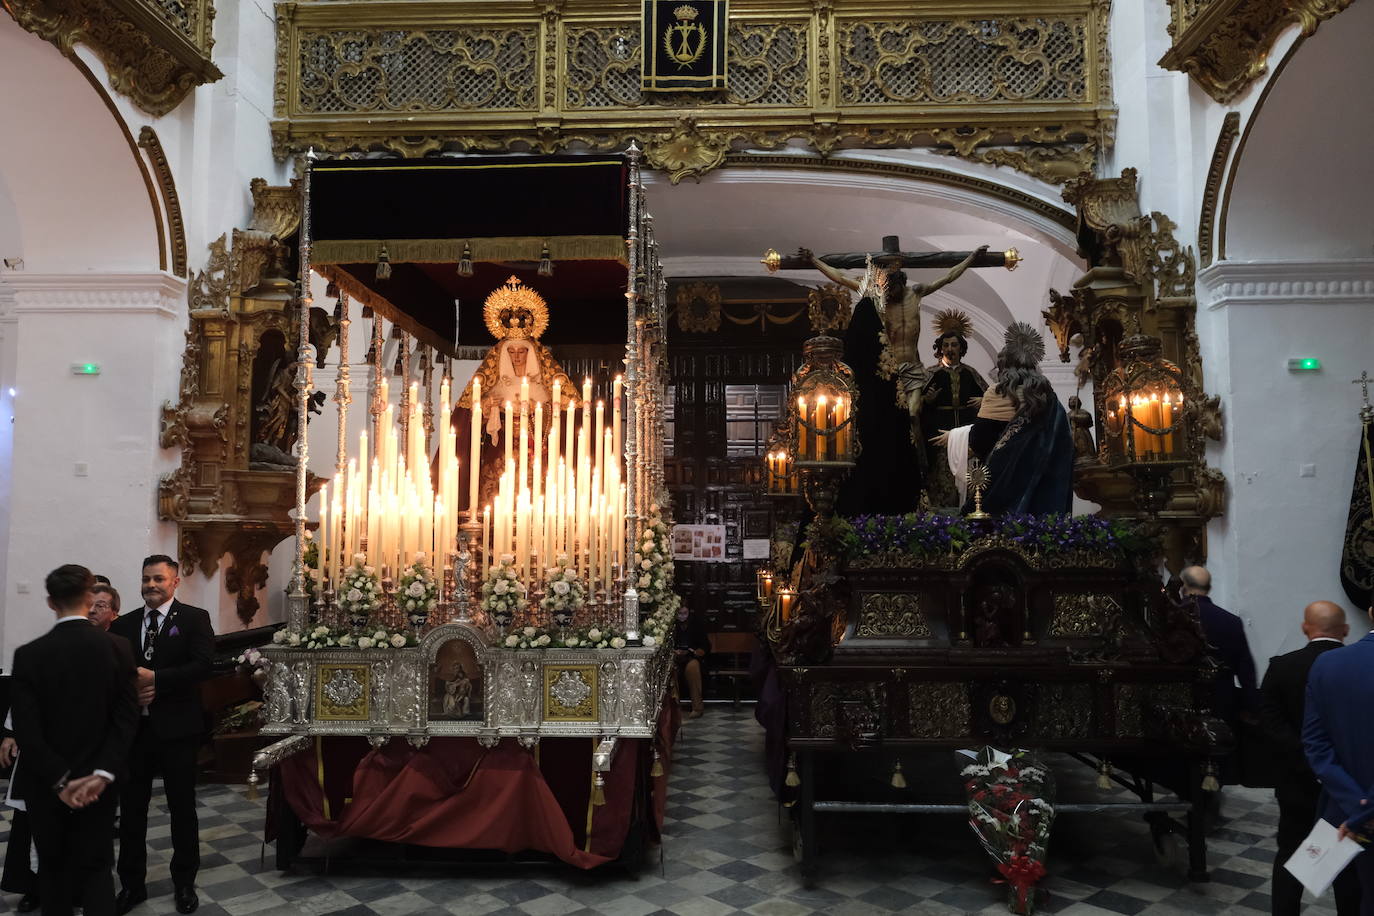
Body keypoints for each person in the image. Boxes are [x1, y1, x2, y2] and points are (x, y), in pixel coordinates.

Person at [10, 564, 139, 916]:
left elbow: (27, 730)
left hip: (46, 784)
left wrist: (60, 780)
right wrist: (102, 773)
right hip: (100, 782)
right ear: (88, 598)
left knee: (52, 868)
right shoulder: (118, 648)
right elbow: (126, 719)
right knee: (97, 867)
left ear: (51, 602)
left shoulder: (29, 654)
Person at [109, 556, 214, 915]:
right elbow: (112, 671)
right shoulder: (123, 624)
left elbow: (203, 666)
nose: (151, 585)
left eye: (158, 579)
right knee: (133, 811)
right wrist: (132, 689)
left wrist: (157, 681)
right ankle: (131, 884)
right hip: (135, 732)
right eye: (145, 579)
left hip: (178, 731)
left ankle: (184, 882)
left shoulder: (194, 619)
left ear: (175, 582)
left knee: (181, 808)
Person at [1260, 601, 1360, 915]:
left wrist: (1309, 763)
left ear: (1306, 627)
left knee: (1290, 851)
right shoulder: (1356, 667)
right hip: (1347, 784)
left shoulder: (1281, 666)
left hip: (1296, 781)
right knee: (1348, 858)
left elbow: (1271, 725)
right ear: (1345, 630)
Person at [1303, 604, 1374, 913]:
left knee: (1350, 899)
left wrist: (1357, 804)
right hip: (1356, 817)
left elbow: (1316, 744)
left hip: (1343, 813)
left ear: (1371, 611)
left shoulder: (1328, 664)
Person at [921, 319, 987, 507]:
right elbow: (914, 407)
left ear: (961, 349)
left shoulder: (971, 373)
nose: (950, 349)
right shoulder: (930, 373)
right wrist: (927, 401)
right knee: (942, 476)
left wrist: (983, 401)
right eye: (946, 345)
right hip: (940, 435)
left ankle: (966, 508)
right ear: (940, 349)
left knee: (967, 476)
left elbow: (991, 399)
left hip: (967, 435)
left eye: (954, 345)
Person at [1182, 566, 1260, 726]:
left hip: (1182, 702)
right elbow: (1246, 670)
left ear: (1184, 586)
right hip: (1221, 702)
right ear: (1209, 588)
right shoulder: (1230, 621)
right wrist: (1252, 707)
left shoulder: (1171, 617)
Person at [1, 716, 39, 913]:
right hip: (38, 740)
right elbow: (22, 690)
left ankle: (74, 889)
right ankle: (32, 887)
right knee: (29, 820)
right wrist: (11, 732)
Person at [674, 607, 710, 719]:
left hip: (691, 657)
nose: (682, 616)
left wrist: (694, 651)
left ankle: (697, 707)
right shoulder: (672, 626)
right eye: (680, 613)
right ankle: (674, 707)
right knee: (670, 672)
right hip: (675, 657)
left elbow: (706, 645)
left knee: (692, 669)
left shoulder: (696, 625)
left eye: (685, 613)